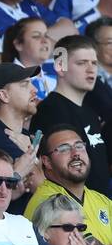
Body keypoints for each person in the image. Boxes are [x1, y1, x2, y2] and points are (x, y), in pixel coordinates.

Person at [31, 35, 110, 195]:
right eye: (81, 63)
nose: (91, 69)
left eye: (94, 63)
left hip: (100, 206)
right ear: (60, 66)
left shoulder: (90, 109)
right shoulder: (51, 110)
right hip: (72, 207)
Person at [24, 127, 112, 245]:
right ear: (47, 162)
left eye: (79, 146)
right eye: (64, 149)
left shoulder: (102, 200)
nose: (75, 153)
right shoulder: (47, 201)